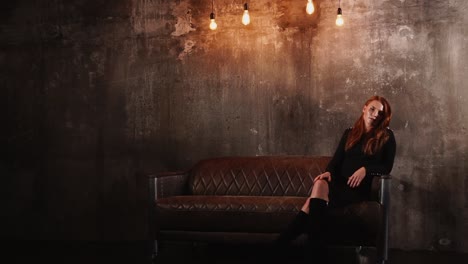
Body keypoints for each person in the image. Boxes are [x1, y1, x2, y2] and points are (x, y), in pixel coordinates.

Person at [275, 95, 397, 262]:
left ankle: (282, 245)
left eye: (380, 113)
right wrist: (328, 172)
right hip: (338, 182)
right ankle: (313, 252)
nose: (375, 114)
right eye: (372, 109)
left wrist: (365, 169)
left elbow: (386, 166)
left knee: (311, 204)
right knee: (319, 183)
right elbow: (336, 160)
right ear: (364, 108)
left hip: (357, 189)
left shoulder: (387, 137)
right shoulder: (349, 133)